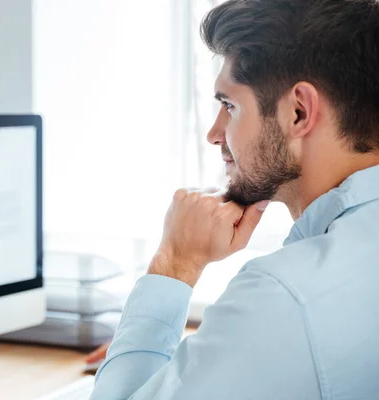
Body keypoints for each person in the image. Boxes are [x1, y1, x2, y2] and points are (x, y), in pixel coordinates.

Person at [89, 0, 379, 399]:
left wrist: (175, 262)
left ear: (298, 112)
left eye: (229, 105)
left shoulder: (285, 297)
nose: (214, 132)